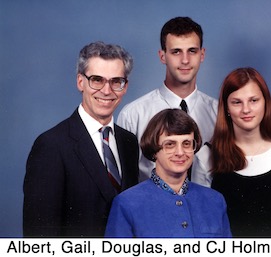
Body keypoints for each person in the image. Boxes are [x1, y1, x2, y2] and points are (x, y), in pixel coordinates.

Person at [23, 41, 139, 237]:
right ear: (80, 82)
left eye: (116, 81)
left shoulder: (129, 142)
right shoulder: (51, 145)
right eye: (97, 80)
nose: (106, 91)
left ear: (125, 86)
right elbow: (39, 239)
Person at [192, 67, 271, 238]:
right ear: (226, 108)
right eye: (237, 102)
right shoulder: (206, 156)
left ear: (265, 103)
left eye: (253, 100)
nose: (246, 109)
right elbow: (201, 228)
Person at [117, 17, 218, 181]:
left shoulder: (219, 113)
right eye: (176, 51)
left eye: (192, 51)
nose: (185, 60)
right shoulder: (133, 115)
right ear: (162, 56)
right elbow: (124, 181)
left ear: (202, 54)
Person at [104, 109, 232, 238]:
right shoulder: (126, 203)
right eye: (170, 144)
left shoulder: (215, 201)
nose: (180, 152)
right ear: (154, 150)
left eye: (187, 144)